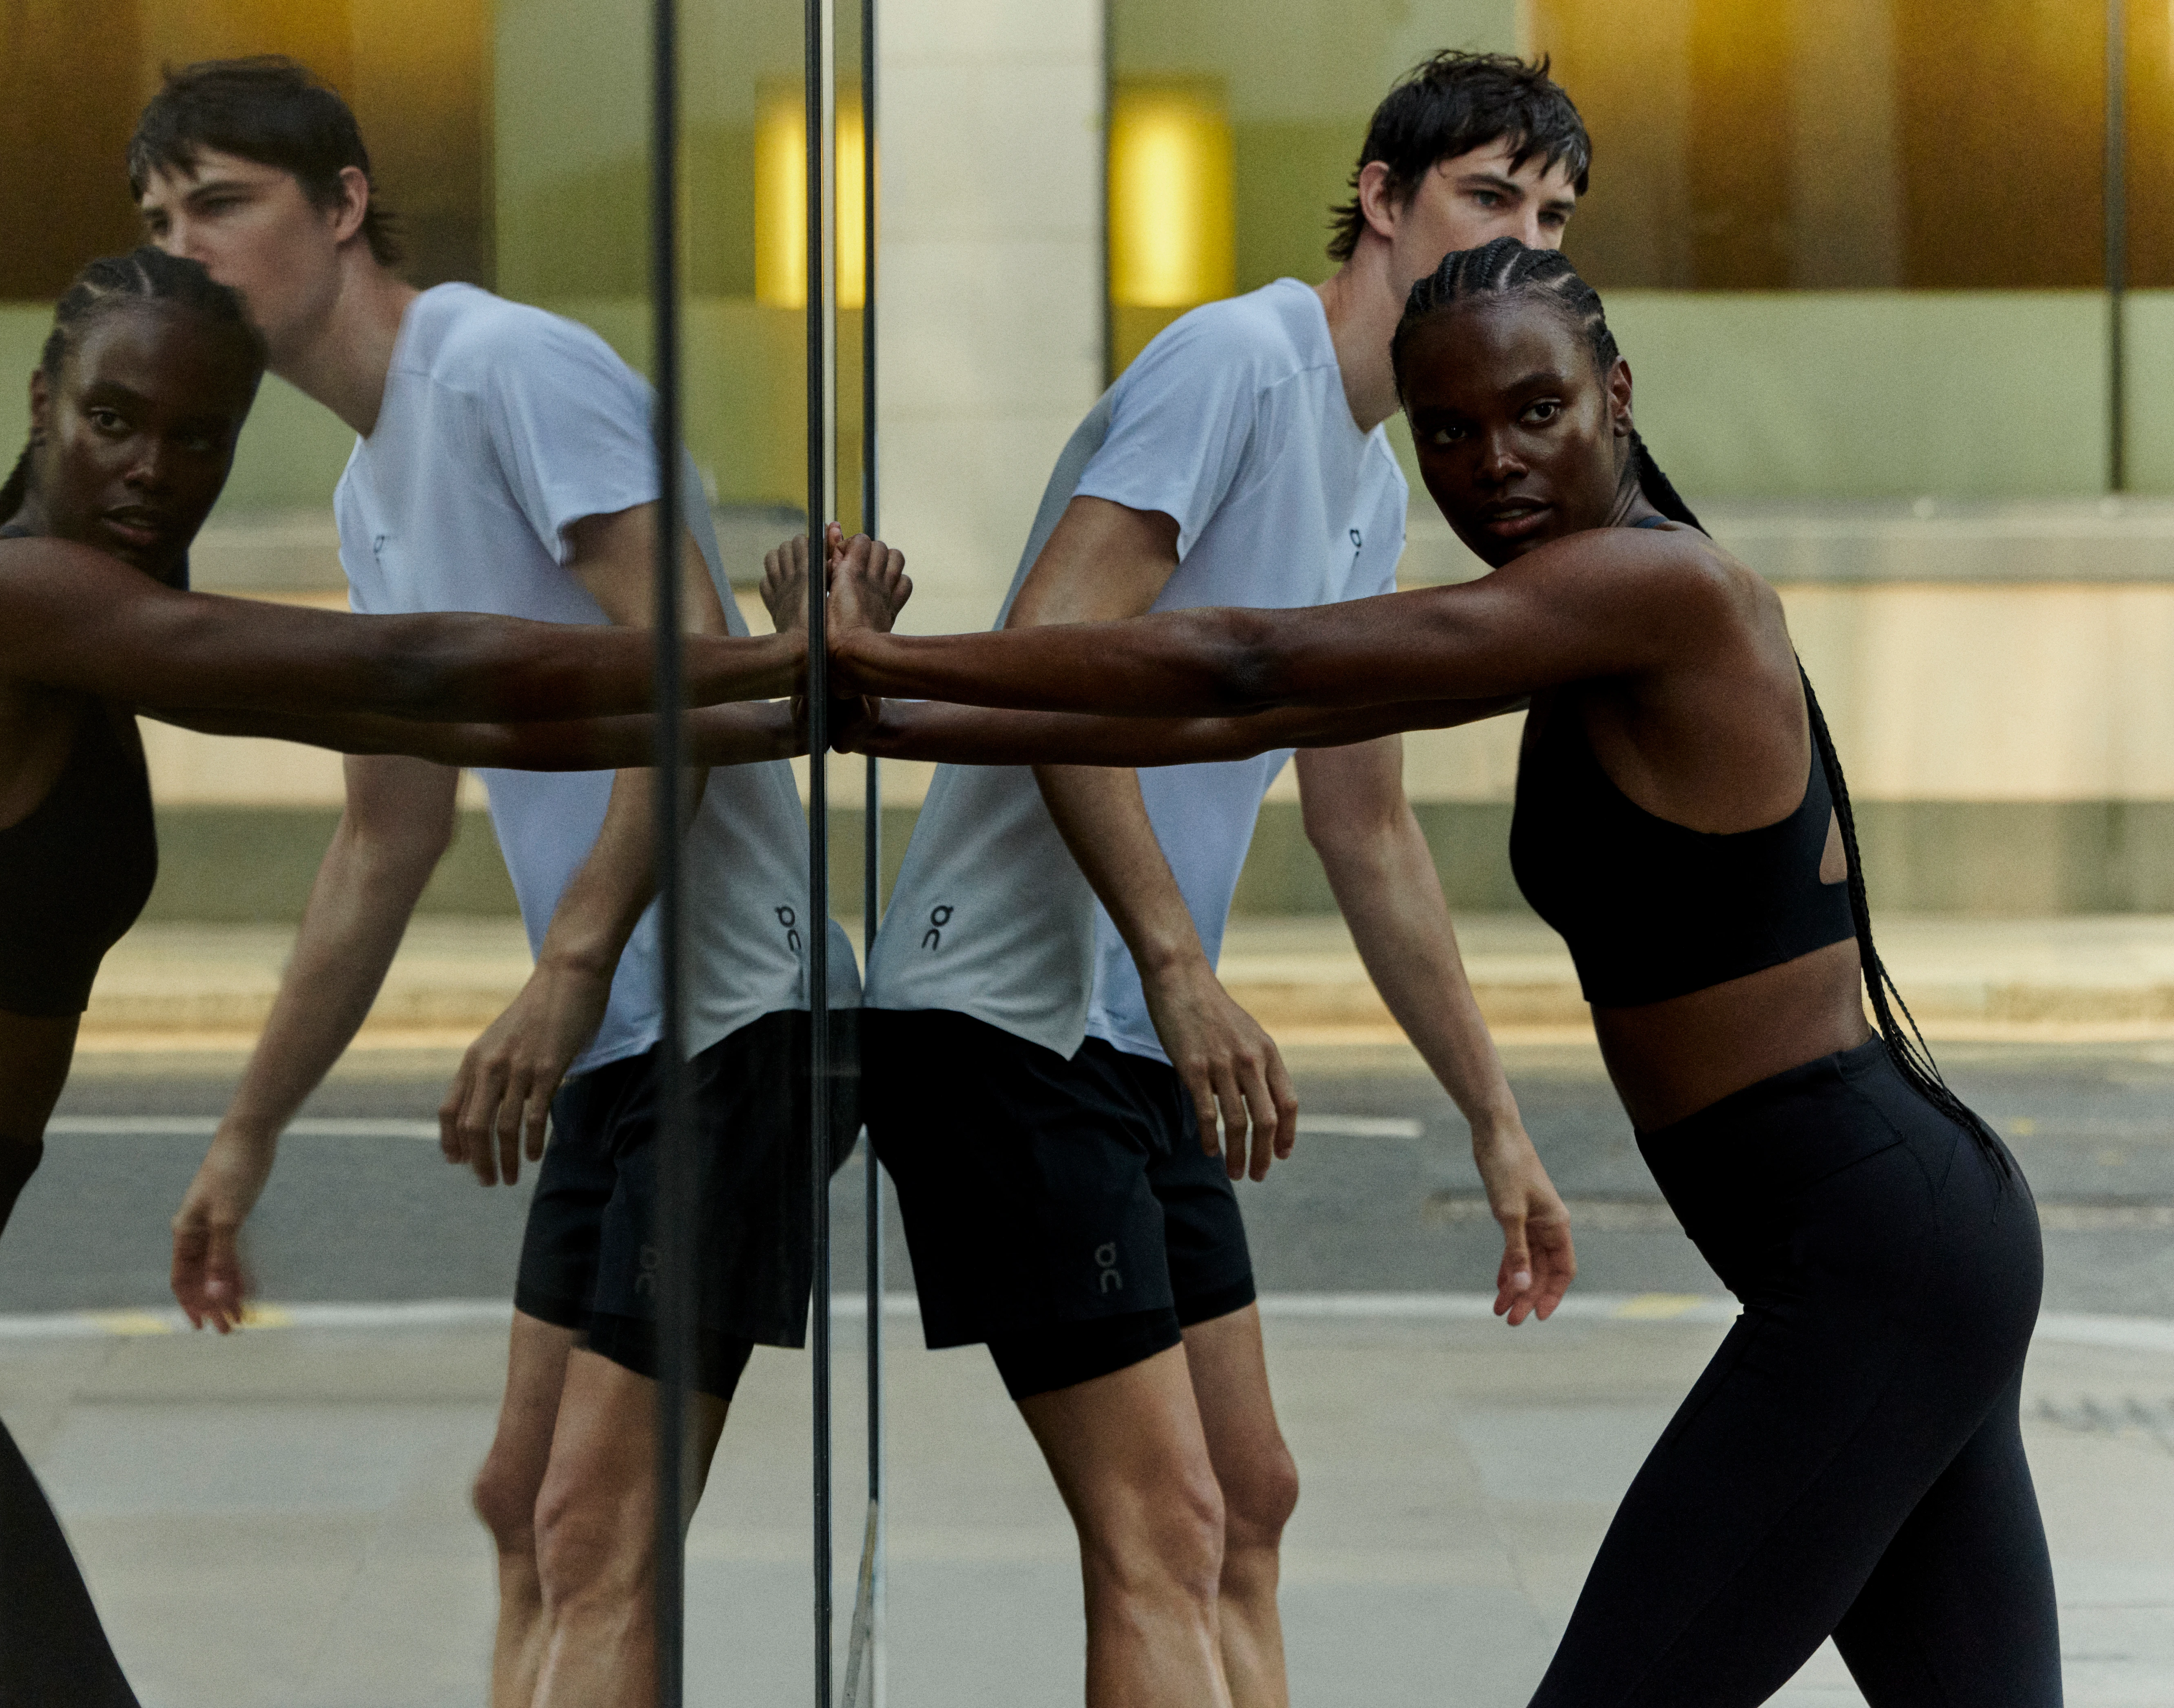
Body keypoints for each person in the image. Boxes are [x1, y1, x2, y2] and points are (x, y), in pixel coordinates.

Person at [826, 235, 2060, 1708]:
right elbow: (1225, 728)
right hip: (1906, 1248)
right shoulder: (1576, 610)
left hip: (1885, 1256)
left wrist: (919, 668)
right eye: (1452, 434)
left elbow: (1247, 668)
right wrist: (881, 702)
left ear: (1616, 393)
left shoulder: (1659, 593)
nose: (1495, 465)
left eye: (1537, 412)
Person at [0, 247, 808, 1708]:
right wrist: (755, 668)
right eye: (112, 420)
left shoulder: (82, 624)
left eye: (197, 438)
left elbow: (464, 736)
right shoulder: (10, 604)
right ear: (42, 401)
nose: (150, 469)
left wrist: (762, 699)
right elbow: (411, 674)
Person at [126, 59, 866, 1708]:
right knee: (521, 1513)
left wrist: (568, 969)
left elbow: (690, 670)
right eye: (160, 221)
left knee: (593, 1532)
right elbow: (385, 838)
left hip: (740, 1018)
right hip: (631, 1036)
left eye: (222, 203)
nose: (185, 250)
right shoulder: (368, 485)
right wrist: (245, 1138)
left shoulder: (507, 369)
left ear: (343, 204)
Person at [850, 52, 1584, 1708]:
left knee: (1249, 1502)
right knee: (1166, 1525)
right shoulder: (1241, 365)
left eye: (1549, 220)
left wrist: (1493, 1115)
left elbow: (1366, 825)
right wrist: (1184, 970)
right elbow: (1053, 654)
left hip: (1123, 1040)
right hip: (1004, 1020)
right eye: (1486, 197)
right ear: (1384, 204)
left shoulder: (1374, 480)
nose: (1515, 245)